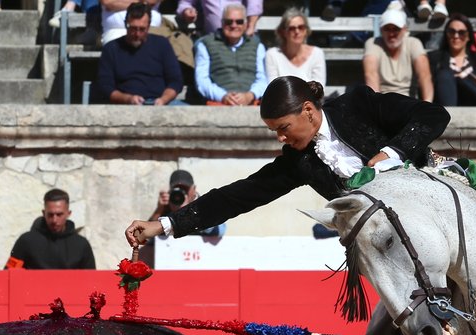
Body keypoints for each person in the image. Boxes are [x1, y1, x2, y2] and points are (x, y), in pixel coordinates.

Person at [124, 75, 448, 243]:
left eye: (283, 127)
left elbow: (432, 114)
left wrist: (388, 154)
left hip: (435, 203)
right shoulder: (299, 161)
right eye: (274, 131)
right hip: (389, 243)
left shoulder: (357, 104)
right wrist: (164, 224)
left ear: (308, 110)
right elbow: (237, 196)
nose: (280, 138)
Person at [96, 1, 182, 105]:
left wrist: (163, 99)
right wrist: (128, 99)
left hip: (160, 102)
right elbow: (106, 87)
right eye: (133, 28)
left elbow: (175, 81)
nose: (137, 34)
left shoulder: (162, 44)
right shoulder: (111, 49)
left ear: (149, 26)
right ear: (126, 24)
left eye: (142, 29)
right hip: (125, 105)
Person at [5, 189, 96, 270]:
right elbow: (8, 275)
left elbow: (92, 282)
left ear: (68, 213)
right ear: (44, 213)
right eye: (50, 215)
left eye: (59, 214)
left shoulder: (81, 245)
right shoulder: (26, 241)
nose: (54, 220)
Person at [194, 3, 265, 105]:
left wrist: (250, 95)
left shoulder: (257, 46)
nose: (233, 25)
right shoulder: (205, 44)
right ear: (222, 23)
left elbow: (262, 79)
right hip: (217, 103)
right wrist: (223, 96)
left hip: (251, 103)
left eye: (239, 22)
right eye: (229, 22)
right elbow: (202, 80)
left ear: (245, 25)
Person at [363, 2, 433, 102]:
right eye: (387, 29)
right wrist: (376, 105)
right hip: (383, 101)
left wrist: (427, 104)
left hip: (410, 101)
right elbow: (370, 74)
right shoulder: (372, 43)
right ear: (381, 30)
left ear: (404, 29)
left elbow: (424, 75)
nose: (391, 34)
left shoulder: (414, 43)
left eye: (396, 29)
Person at [434, 13, 476, 107]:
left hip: (474, 105)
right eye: (452, 31)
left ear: (468, 36)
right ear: (446, 34)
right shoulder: (435, 58)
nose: (456, 36)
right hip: (446, 105)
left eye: (461, 33)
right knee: (444, 76)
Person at [148, 169, 226, 237]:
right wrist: (159, 210)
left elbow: (220, 231)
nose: (181, 193)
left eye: (185, 189)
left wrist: (189, 212)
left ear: (194, 189)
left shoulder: (203, 204)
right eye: (177, 189)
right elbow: (148, 234)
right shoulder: (168, 205)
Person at [264, 7, 325, 85]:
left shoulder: (317, 53)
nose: (297, 31)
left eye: (301, 27)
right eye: (292, 28)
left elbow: (319, 89)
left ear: (306, 30)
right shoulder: (272, 54)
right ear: (283, 32)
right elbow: (273, 88)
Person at [177, 0, 260, 37]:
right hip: (211, 38)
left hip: (243, 36)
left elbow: (255, 3)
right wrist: (187, 11)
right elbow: (186, 3)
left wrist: (251, 26)